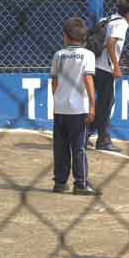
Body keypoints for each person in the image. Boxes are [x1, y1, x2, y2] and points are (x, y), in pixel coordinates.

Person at [50, 17, 99, 196]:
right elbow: (88, 79)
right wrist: (93, 105)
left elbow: (54, 82)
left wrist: (56, 100)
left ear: (65, 36)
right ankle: (81, 183)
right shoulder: (87, 55)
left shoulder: (58, 55)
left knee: (60, 147)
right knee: (79, 147)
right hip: (78, 109)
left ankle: (60, 182)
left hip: (60, 107)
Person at [90, 0, 129, 152]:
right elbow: (111, 43)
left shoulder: (107, 19)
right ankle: (103, 140)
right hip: (105, 69)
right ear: (128, 14)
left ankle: (88, 133)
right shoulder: (122, 23)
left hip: (95, 66)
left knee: (104, 103)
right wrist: (116, 67)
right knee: (106, 104)